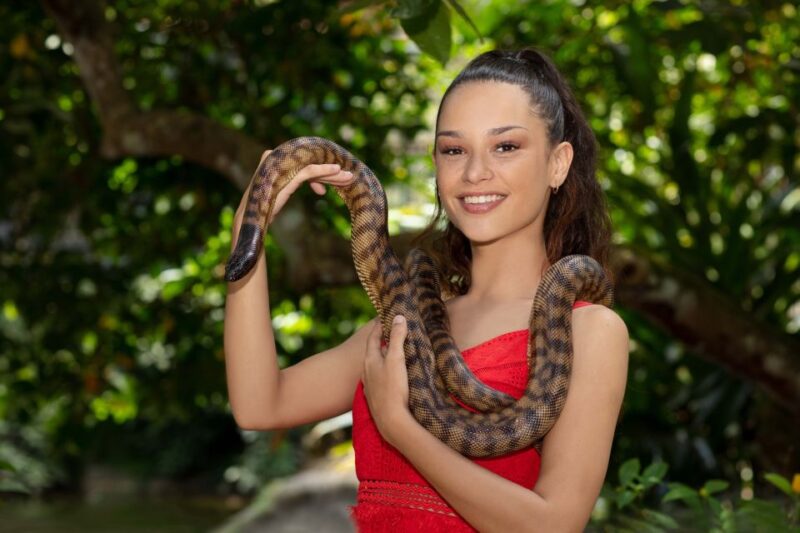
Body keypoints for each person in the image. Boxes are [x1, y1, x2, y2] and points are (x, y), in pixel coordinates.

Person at [224, 48, 629, 532]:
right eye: (454, 150)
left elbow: (552, 526)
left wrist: (401, 427)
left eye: (506, 147)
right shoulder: (403, 324)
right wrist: (247, 233)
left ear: (558, 163)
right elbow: (259, 404)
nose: (475, 172)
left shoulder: (589, 328)